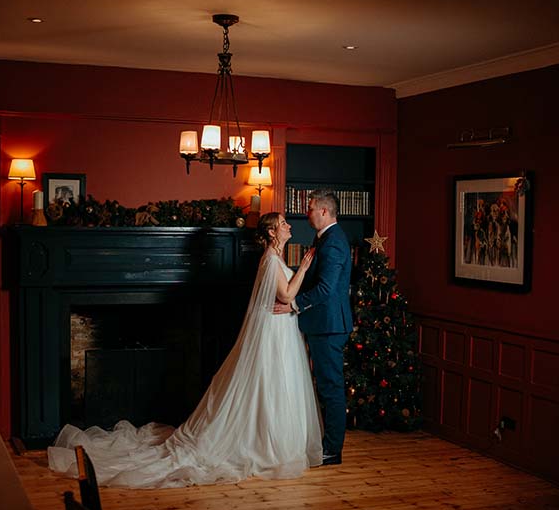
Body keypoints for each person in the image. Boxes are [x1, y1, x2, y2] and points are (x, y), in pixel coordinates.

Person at [47, 212, 322, 487]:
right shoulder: (272, 260)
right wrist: (304, 269)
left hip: (279, 331)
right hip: (272, 334)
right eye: (283, 223)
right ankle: (265, 446)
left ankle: (270, 441)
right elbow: (286, 295)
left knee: (273, 387)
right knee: (267, 386)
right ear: (272, 233)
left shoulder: (275, 259)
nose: (288, 226)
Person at [276, 190, 353, 466]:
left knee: (331, 388)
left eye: (310, 209)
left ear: (323, 211)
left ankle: (332, 450)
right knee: (326, 386)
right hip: (324, 324)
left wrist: (293, 303)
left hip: (329, 326)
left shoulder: (332, 243)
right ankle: (327, 445)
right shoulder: (325, 238)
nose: (306, 213)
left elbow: (325, 288)